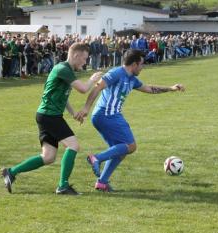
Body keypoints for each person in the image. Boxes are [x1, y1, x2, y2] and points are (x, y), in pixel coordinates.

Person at [75, 49, 185, 192]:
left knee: (120, 151)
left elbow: (150, 89)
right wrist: (86, 107)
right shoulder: (116, 73)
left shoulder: (131, 79)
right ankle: (97, 158)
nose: (142, 67)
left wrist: (171, 88)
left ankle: (102, 182)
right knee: (130, 146)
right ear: (134, 64)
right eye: (141, 64)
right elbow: (97, 88)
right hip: (107, 115)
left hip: (108, 116)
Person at [1, 43, 102, 195]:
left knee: (48, 157)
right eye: (84, 58)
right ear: (76, 55)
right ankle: (63, 185)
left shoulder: (65, 70)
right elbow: (82, 89)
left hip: (47, 115)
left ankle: (11, 172)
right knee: (73, 146)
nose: (85, 62)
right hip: (49, 116)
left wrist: (73, 112)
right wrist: (92, 80)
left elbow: (62, 96)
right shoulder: (63, 69)